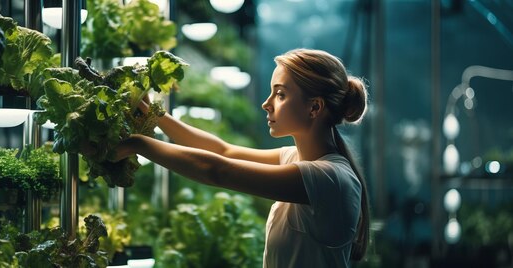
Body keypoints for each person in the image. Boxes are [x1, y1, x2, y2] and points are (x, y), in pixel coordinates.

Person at [114, 48, 370, 268]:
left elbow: (217, 170)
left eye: (280, 94)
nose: (266, 104)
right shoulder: (298, 159)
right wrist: (152, 114)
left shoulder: (329, 178)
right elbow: (222, 151)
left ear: (314, 107)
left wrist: (138, 144)